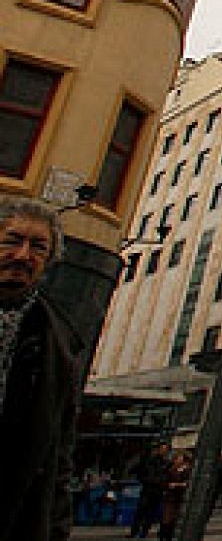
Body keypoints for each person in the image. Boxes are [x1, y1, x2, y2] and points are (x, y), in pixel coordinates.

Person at [0, 198, 85, 541]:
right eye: (11, 240)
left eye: (38, 247)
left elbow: (58, 456)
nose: (23, 256)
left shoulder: (58, 344)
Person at [130, 442, 172, 538]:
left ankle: (143, 532)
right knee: (141, 511)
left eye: (165, 449)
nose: (164, 451)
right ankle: (135, 531)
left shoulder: (165, 463)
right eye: (162, 449)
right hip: (148, 489)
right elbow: (139, 471)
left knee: (150, 513)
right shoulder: (150, 461)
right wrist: (145, 480)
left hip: (157, 491)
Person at [156, 451, 192, 541]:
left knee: (173, 519)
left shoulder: (186, 470)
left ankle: (168, 536)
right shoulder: (170, 470)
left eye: (181, 458)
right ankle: (163, 535)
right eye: (178, 458)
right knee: (167, 519)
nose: (180, 460)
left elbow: (187, 483)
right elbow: (164, 482)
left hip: (179, 497)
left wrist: (177, 485)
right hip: (170, 497)